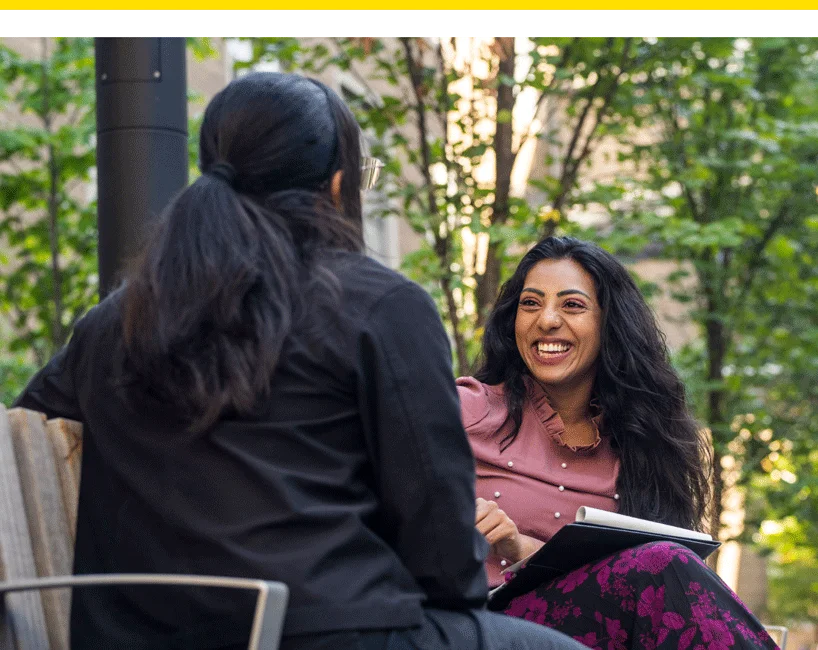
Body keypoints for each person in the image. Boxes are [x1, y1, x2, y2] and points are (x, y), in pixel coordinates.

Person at [13, 72, 588, 650]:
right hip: (326, 631)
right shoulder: (380, 305)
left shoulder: (117, 322)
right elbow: (438, 547)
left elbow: (25, 422)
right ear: (337, 186)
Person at [458, 236, 778, 649]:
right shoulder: (466, 410)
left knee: (665, 563)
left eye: (571, 305)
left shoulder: (643, 447)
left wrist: (523, 546)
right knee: (663, 563)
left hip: (599, 639)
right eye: (530, 303)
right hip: (479, 627)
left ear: (610, 323)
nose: (547, 320)